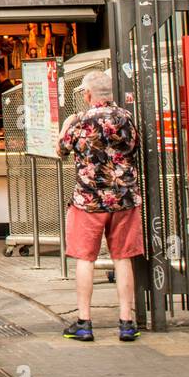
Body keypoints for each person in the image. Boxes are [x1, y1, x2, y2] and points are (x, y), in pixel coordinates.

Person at [57, 70, 143, 342]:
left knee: (85, 259)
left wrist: (65, 125)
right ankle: (127, 322)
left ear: (87, 94)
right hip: (124, 198)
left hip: (88, 200)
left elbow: (60, 150)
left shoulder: (80, 120)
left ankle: (84, 322)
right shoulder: (125, 118)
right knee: (122, 258)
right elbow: (135, 147)